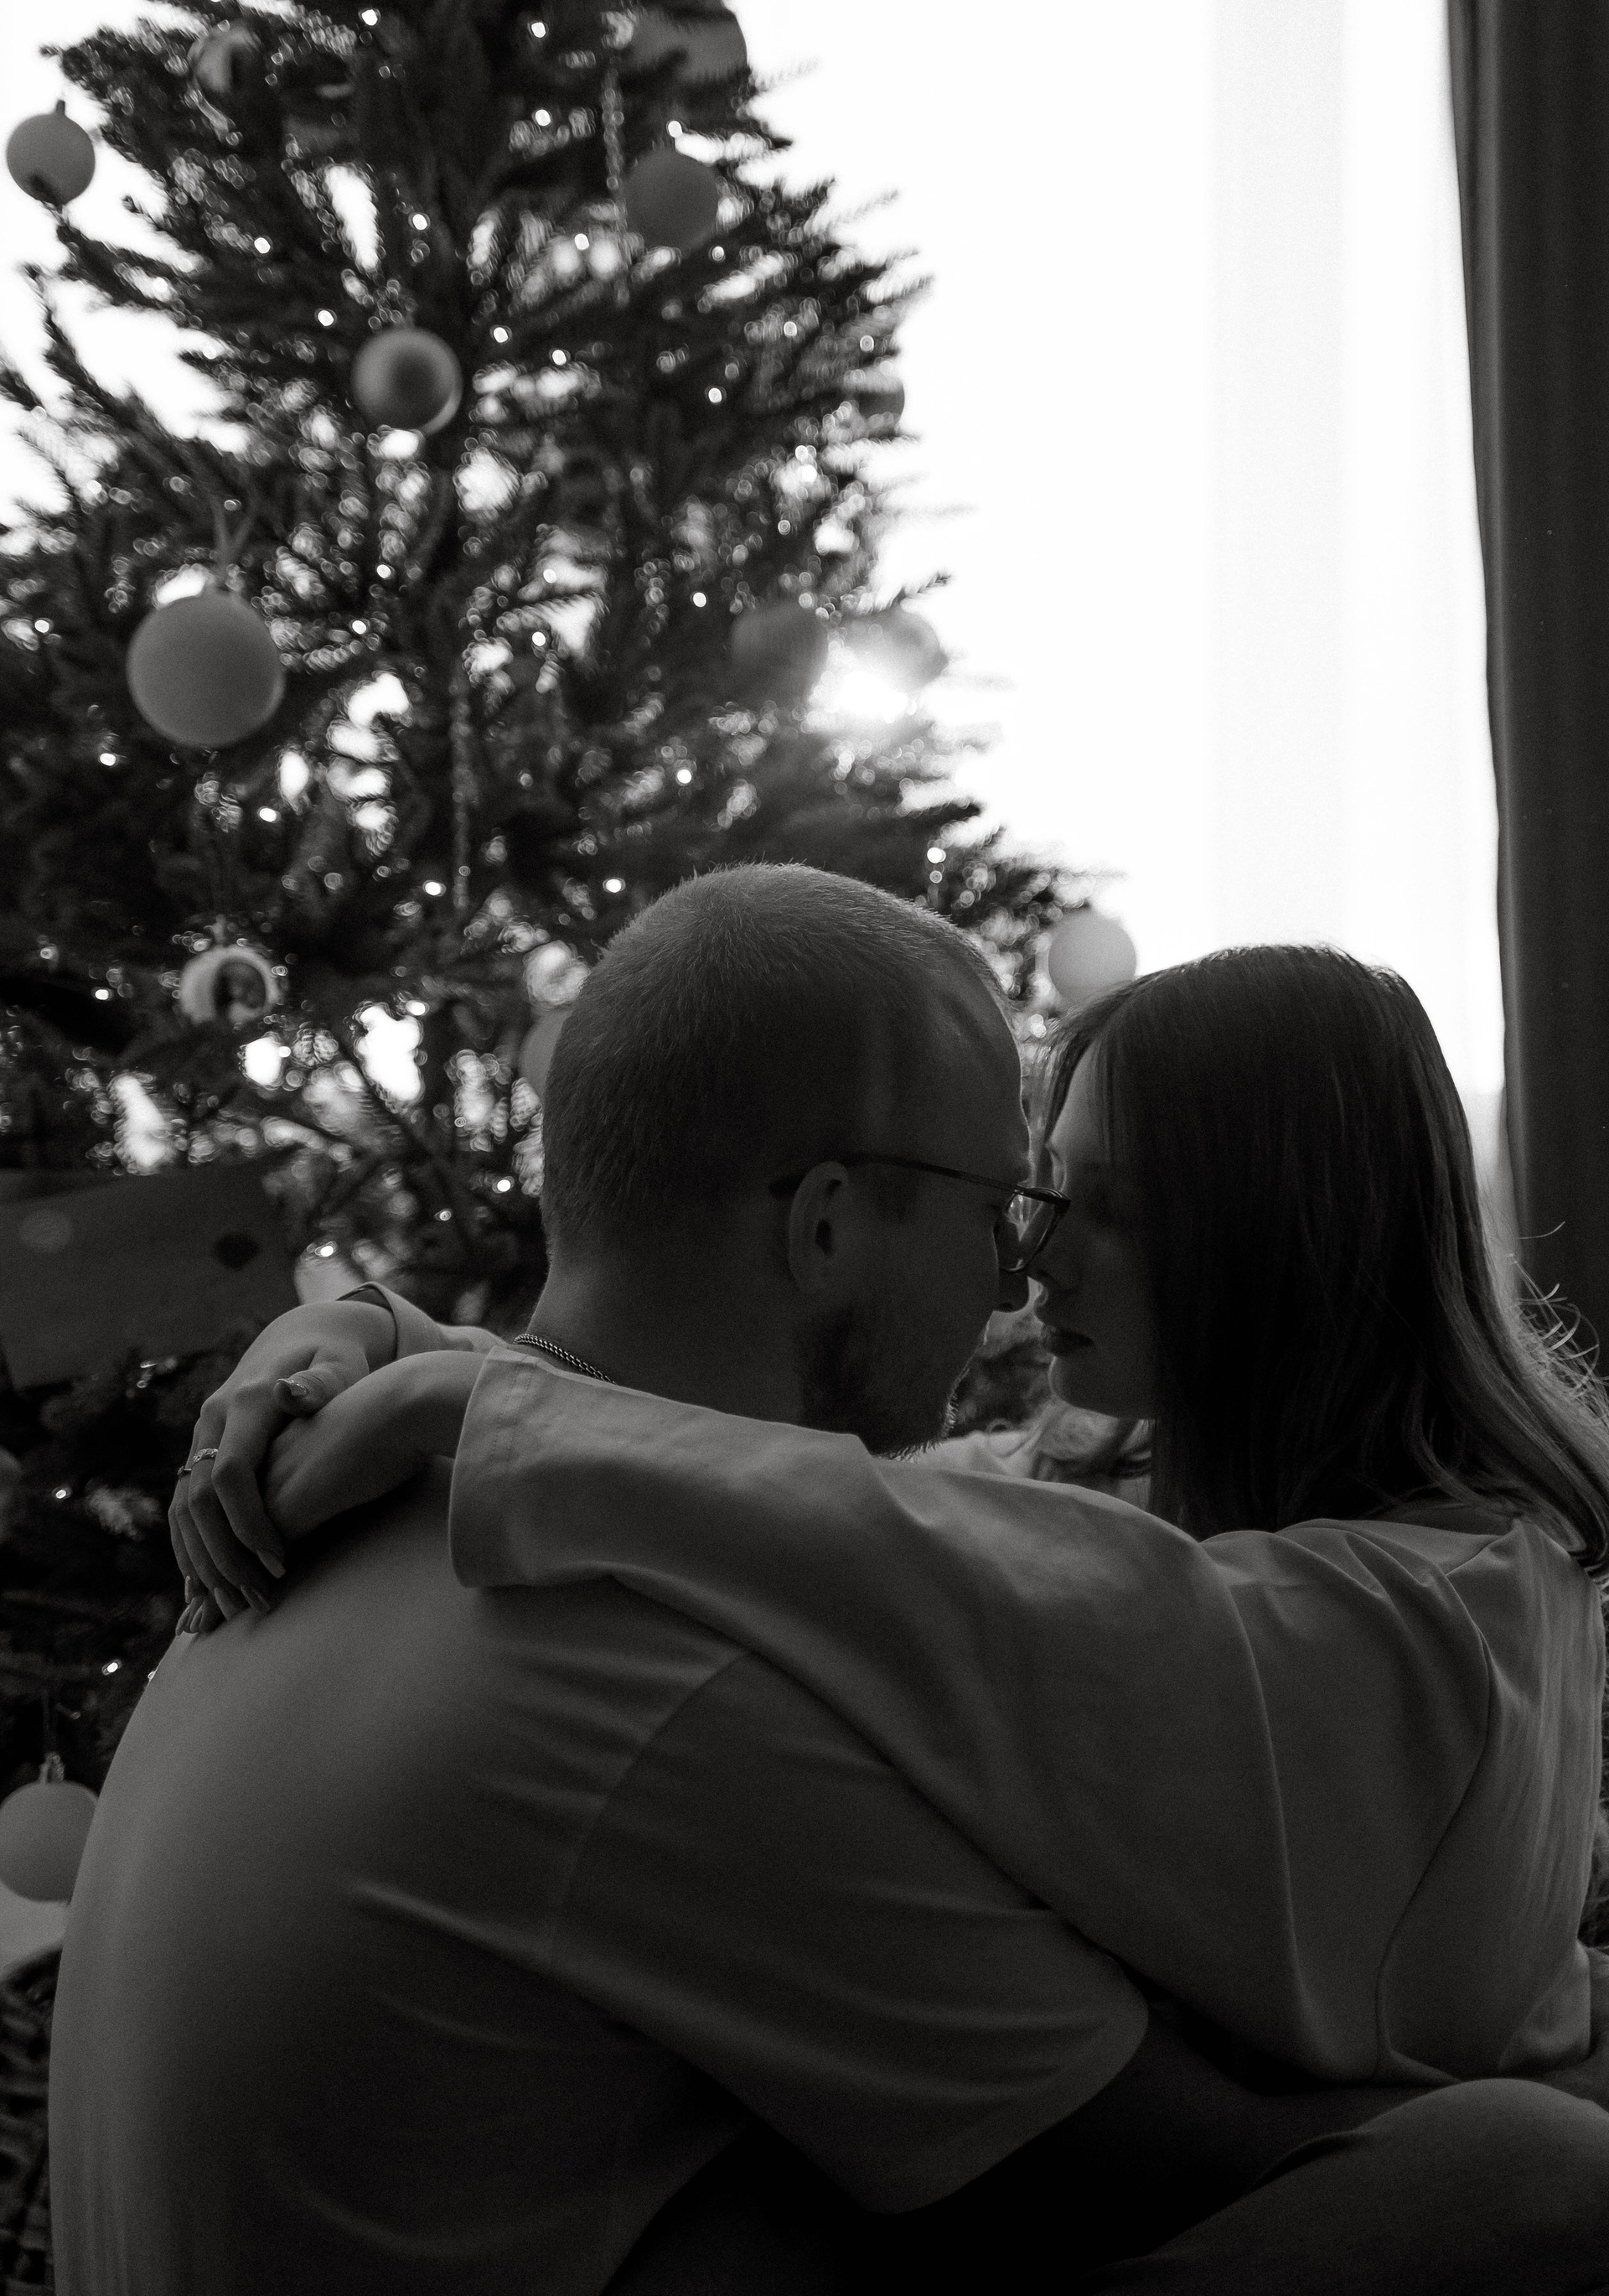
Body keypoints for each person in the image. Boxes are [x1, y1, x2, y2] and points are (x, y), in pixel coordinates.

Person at [73, 874, 1609, 2292]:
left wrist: (405, 1355)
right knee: (1533, 2172)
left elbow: (924, 1550)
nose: (1022, 1273)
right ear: (822, 1225)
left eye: (1100, 1212)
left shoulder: (386, 1511)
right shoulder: (674, 1668)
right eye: (1008, 1203)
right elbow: (1159, 2162)